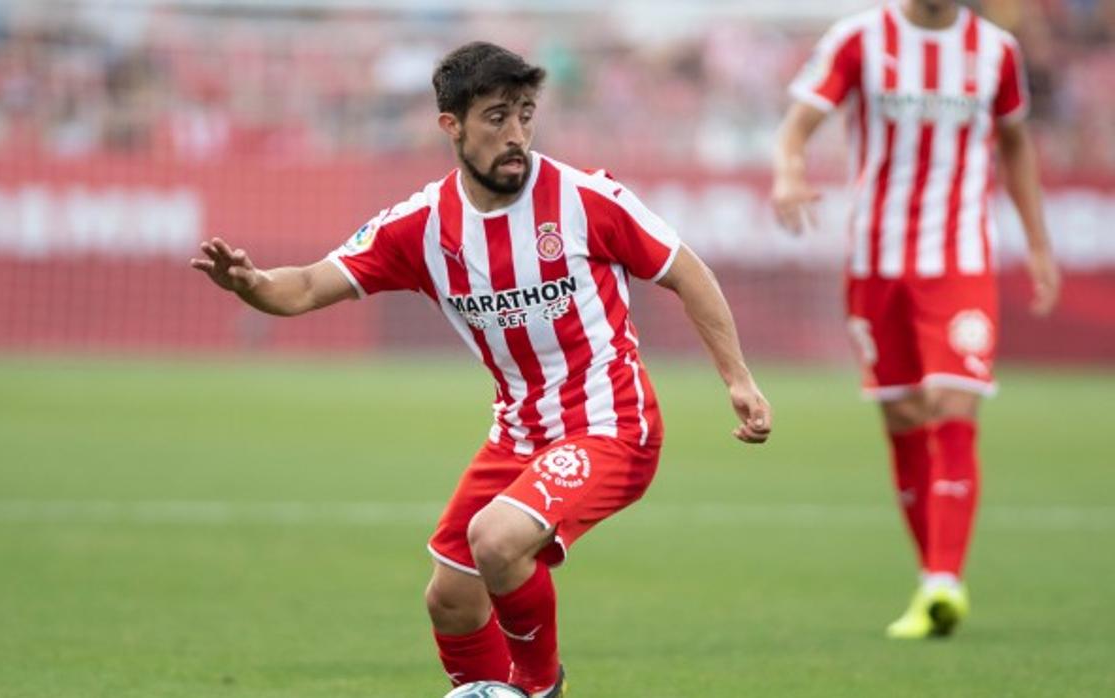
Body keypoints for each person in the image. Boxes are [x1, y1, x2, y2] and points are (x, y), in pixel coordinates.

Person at [192, 41, 772, 695]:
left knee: (496, 540)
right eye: (497, 117)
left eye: (525, 114)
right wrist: (250, 283)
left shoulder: (584, 199)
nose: (516, 134)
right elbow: (301, 287)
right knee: (451, 598)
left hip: (611, 425)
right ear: (452, 126)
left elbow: (686, 271)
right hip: (518, 436)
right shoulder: (420, 226)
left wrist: (738, 378)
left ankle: (536, 686)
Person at [773, 0, 1060, 639]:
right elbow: (797, 127)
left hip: (959, 258)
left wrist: (1039, 244)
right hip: (876, 261)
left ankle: (943, 582)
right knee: (903, 413)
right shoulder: (858, 39)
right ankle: (932, 577)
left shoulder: (996, 50)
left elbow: (1016, 144)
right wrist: (789, 173)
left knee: (951, 399)